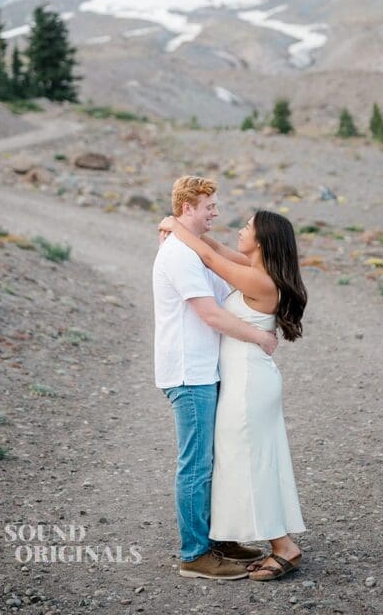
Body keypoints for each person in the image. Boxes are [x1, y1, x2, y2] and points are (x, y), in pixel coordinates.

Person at [157, 206, 308, 582]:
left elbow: (208, 256)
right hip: (245, 378)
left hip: (247, 383)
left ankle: (284, 546)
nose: (239, 230)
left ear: (263, 241)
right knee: (245, 459)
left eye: (247, 227)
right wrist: (179, 227)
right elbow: (215, 248)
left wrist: (175, 224)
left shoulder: (261, 281)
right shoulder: (254, 269)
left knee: (248, 462)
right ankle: (253, 538)